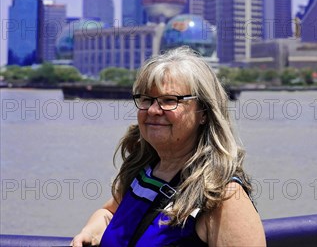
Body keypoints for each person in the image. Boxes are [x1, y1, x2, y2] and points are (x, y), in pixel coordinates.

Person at [71, 46, 266, 246]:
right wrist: (91, 231)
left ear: (204, 112)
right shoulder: (141, 173)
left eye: (169, 100)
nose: (154, 110)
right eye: (146, 99)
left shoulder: (223, 196)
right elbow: (111, 213)